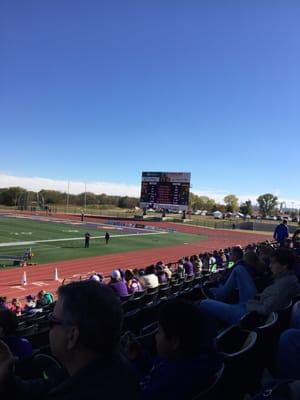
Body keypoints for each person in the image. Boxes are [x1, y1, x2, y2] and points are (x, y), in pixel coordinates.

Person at [0, 280, 140, 399]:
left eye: (52, 321)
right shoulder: (114, 371)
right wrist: (8, 381)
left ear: (72, 336)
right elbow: (44, 388)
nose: (49, 328)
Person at [123, 300, 222, 400]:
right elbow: (157, 369)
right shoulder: (192, 360)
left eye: (159, 332)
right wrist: (139, 358)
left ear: (175, 342)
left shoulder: (168, 383)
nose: (156, 336)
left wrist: (131, 368)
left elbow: (141, 391)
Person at [199, 248, 300, 326]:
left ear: (285, 265)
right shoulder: (288, 279)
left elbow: (265, 310)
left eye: (273, 263)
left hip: (248, 314)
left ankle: (217, 296)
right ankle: (220, 294)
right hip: (255, 303)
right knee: (239, 269)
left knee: (204, 303)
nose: (270, 266)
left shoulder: (284, 286)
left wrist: (248, 304)